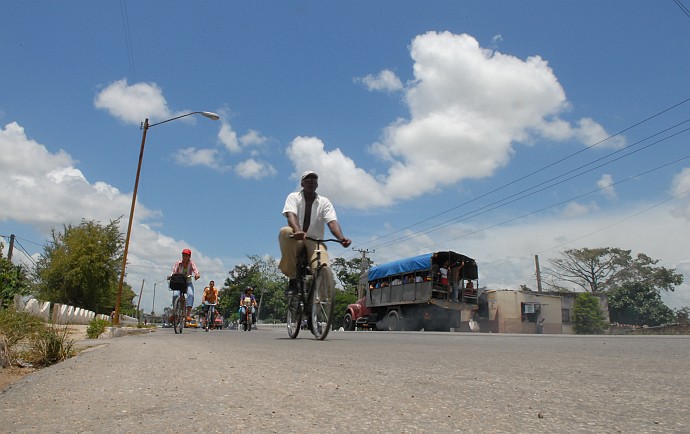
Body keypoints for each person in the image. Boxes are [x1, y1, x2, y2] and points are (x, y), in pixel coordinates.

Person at [278, 170, 351, 296]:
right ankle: (293, 279)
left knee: (323, 266)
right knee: (285, 232)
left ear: (317, 184)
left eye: (314, 179)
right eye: (307, 179)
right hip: (297, 238)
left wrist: (341, 238)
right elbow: (291, 215)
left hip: (315, 240)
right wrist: (298, 231)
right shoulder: (293, 197)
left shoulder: (324, 202)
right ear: (302, 183)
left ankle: (318, 300)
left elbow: (332, 222)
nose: (311, 181)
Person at [170, 248, 200, 320]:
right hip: (179, 282)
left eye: (186, 256)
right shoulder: (178, 263)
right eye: (183, 255)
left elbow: (196, 270)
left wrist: (197, 275)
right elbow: (174, 271)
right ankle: (175, 312)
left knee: (190, 294)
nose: (184, 257)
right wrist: (171, 276)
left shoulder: (191, 263)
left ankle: (188, 314)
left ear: (189, 257)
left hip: (188, 283)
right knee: (175, 295)